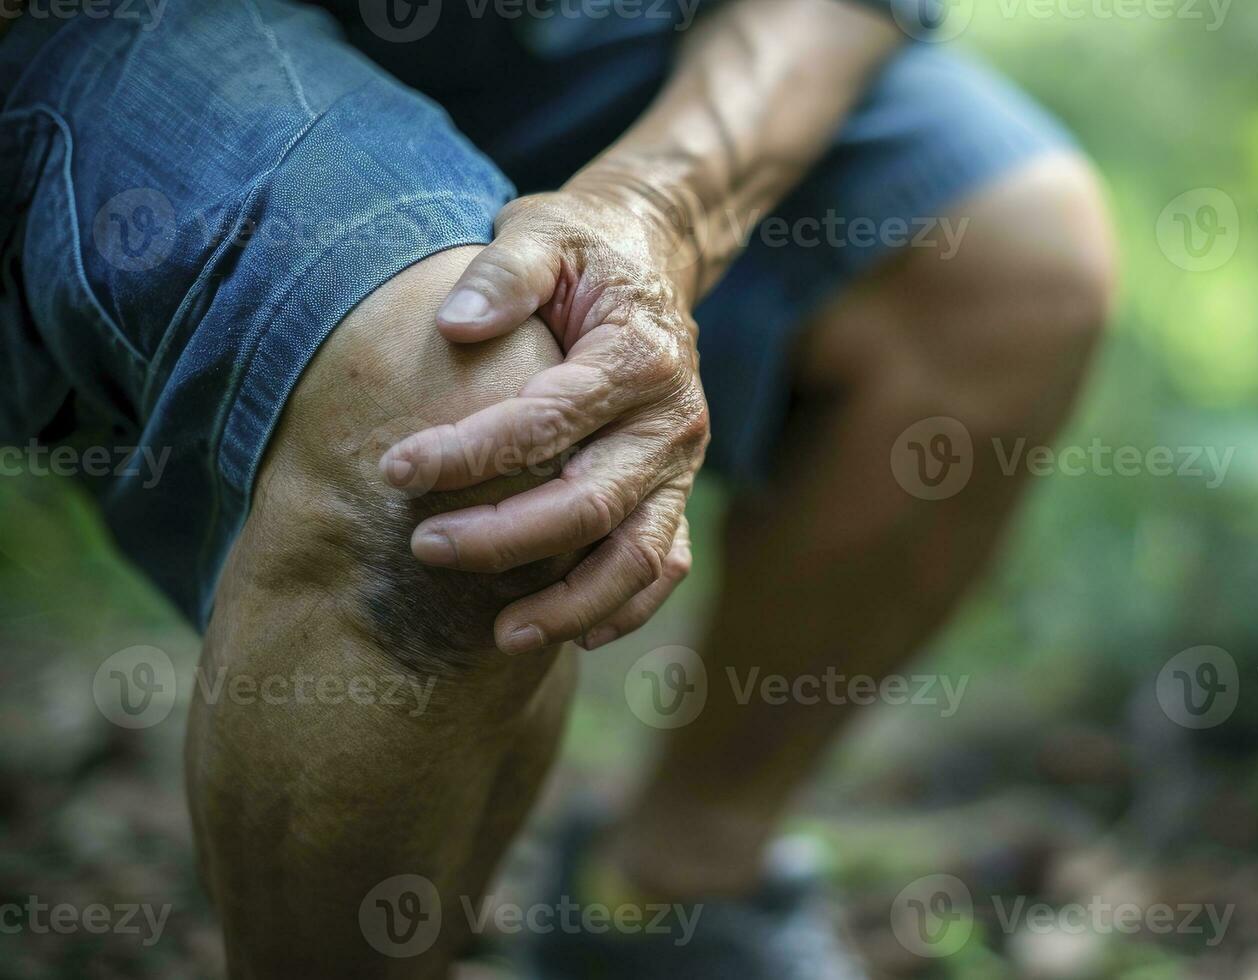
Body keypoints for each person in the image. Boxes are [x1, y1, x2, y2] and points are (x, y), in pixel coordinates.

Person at [0, 0, 1115, 974]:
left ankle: (664, 902)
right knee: (471, 402)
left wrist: (660, 210)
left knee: (1016, 258)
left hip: (555, 36)